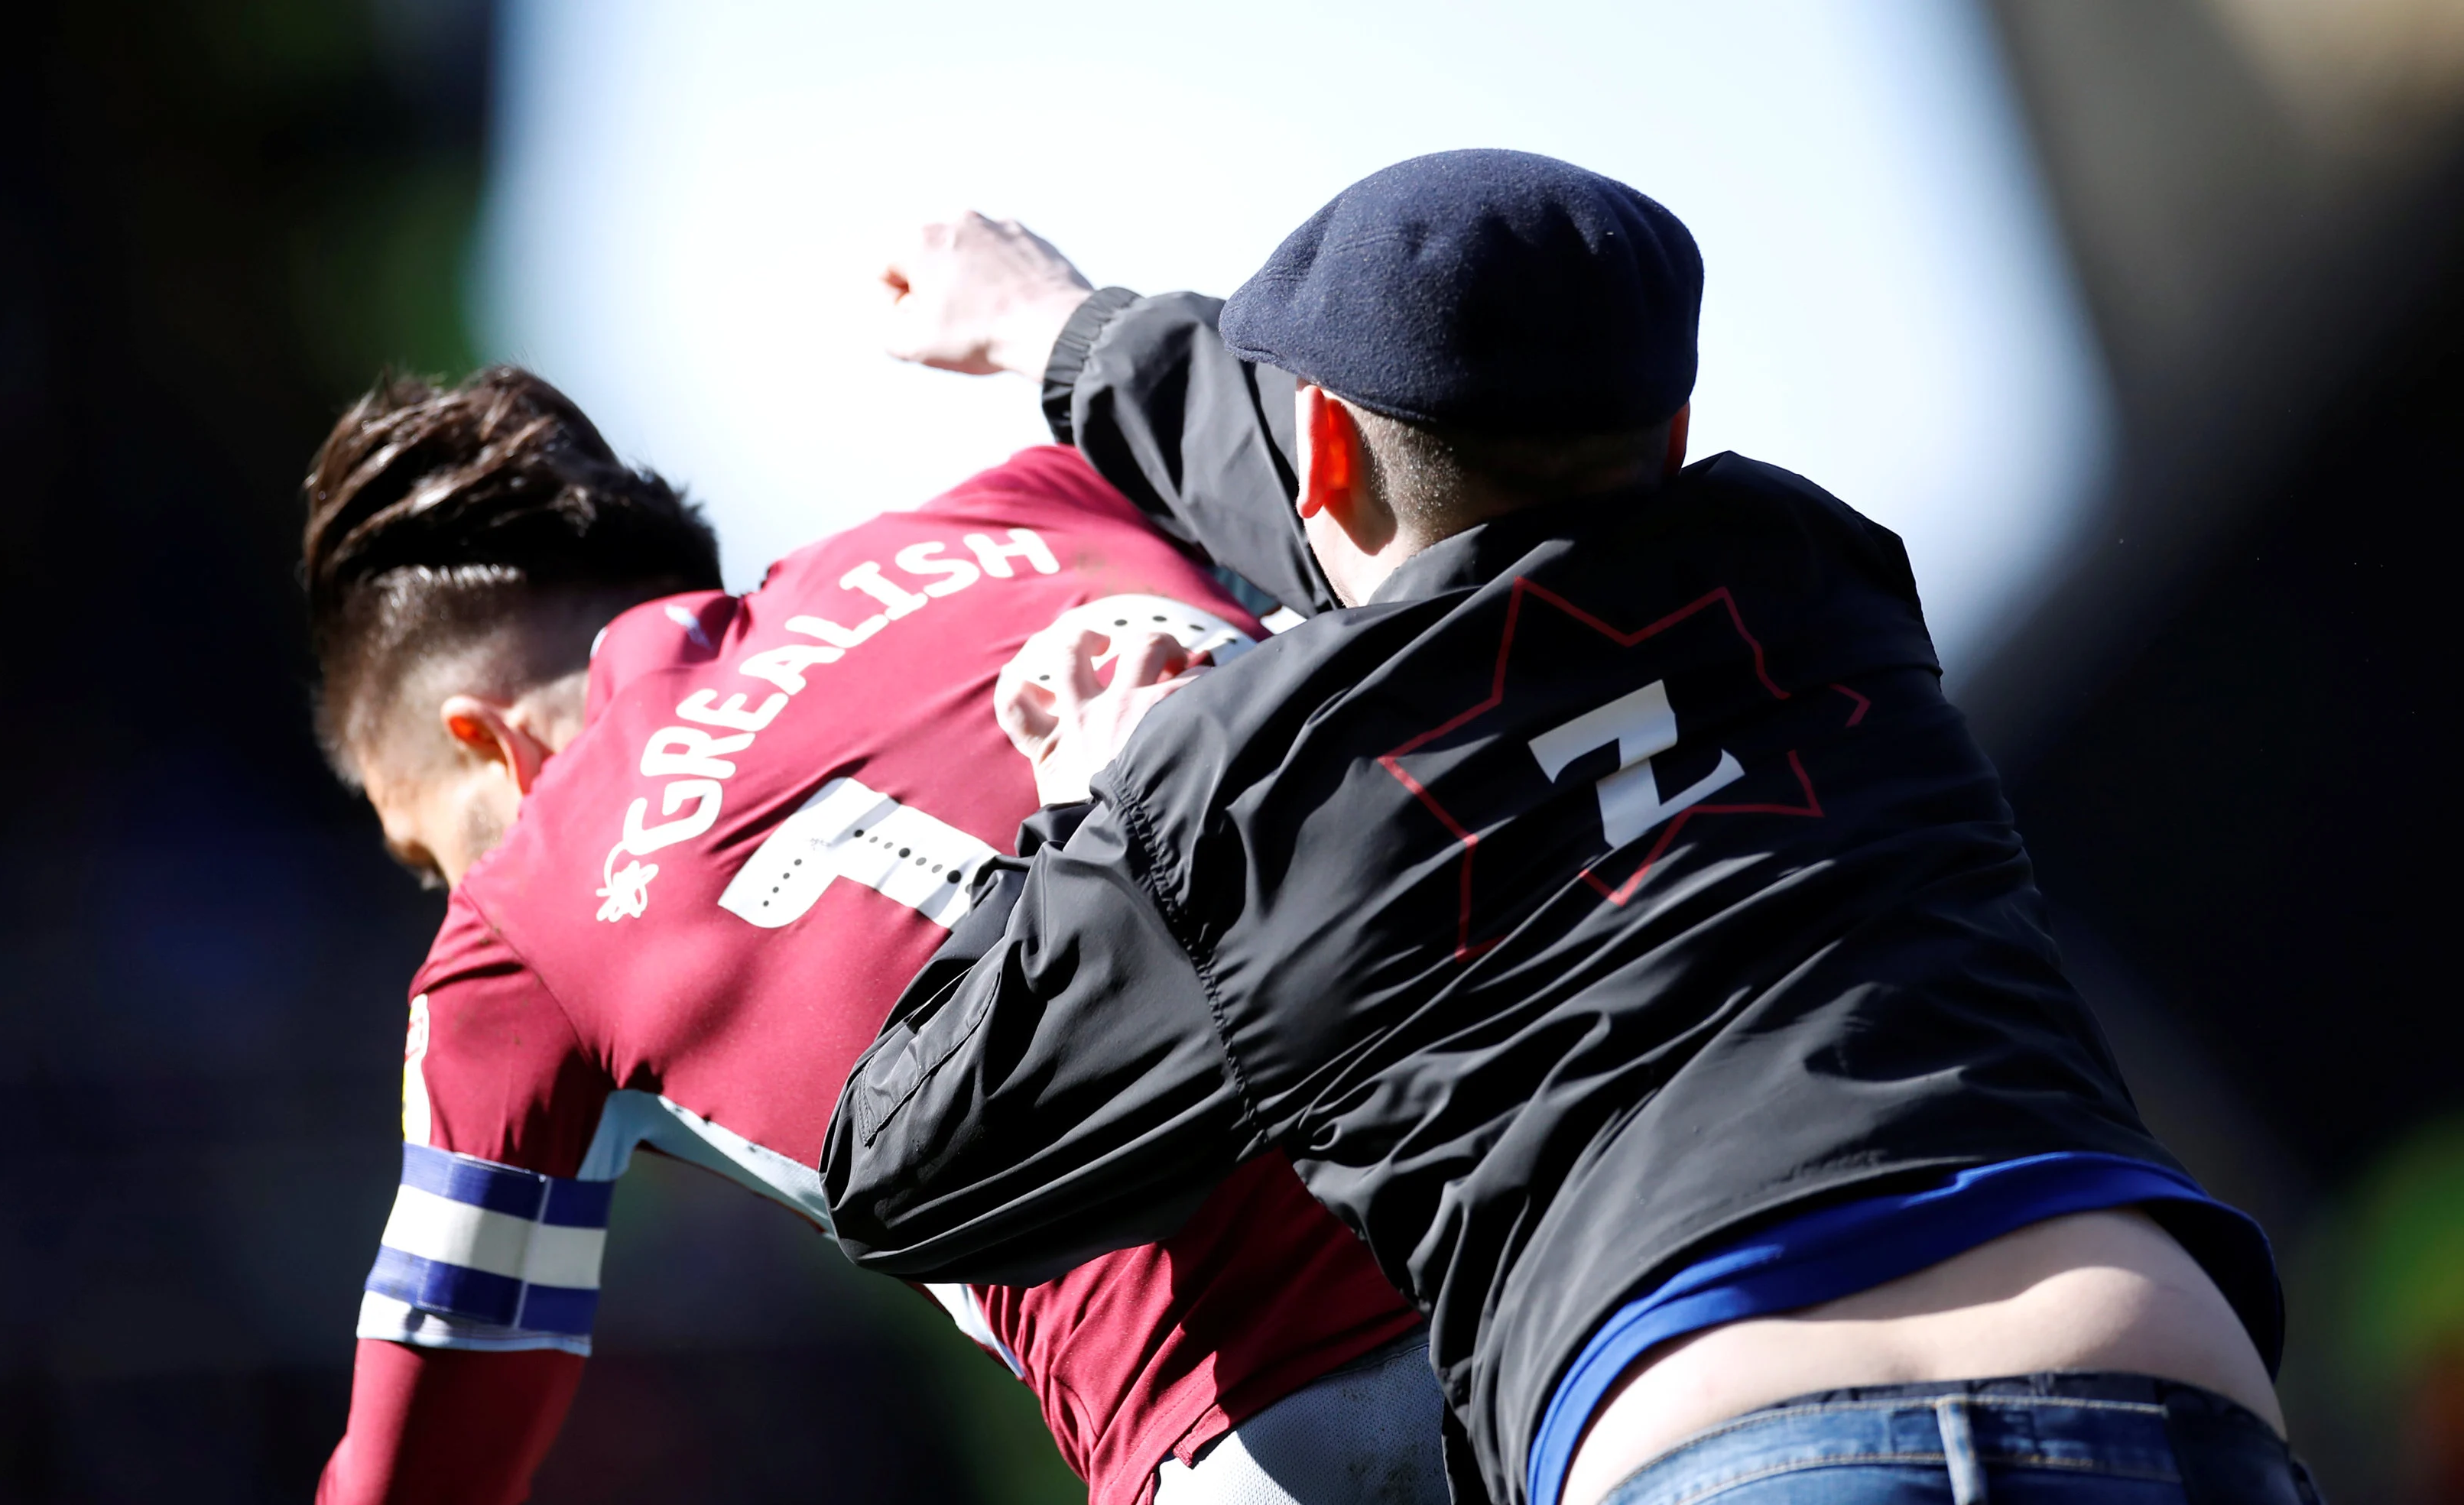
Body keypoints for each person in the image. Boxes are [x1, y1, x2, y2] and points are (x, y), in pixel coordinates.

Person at [822, 152, 2318, 1505]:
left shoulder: (1239, 781)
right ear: (1670, 426)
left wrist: (1093, 795)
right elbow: (1436, 512)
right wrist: (1070, 336)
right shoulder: (1820, 583)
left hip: (1721, 1437)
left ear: (1321, 447)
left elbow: (906, 1175)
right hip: (2166, 1382)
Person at [301, 367, 1446, 1504]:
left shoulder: (516, 921)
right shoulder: (1040, 501)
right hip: (1564, 1223)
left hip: (1271, 1421)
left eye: (428, 857)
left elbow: (413, 1477)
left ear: (492, 745)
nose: (450, 891)